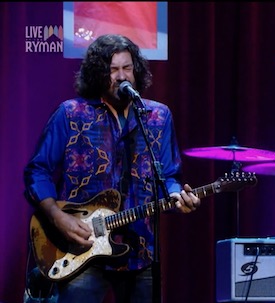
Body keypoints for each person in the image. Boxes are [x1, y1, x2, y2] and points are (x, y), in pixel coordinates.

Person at [23, 34, 201, 302]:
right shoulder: (71, 113)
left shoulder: (158, 116)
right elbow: (37, 171)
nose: (121, 76)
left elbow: (169, 175)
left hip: (141, 251)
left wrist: (177, 196)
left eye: (127, 68)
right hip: (79, 249)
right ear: (98, 73)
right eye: (113, 69)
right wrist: (58, 217)